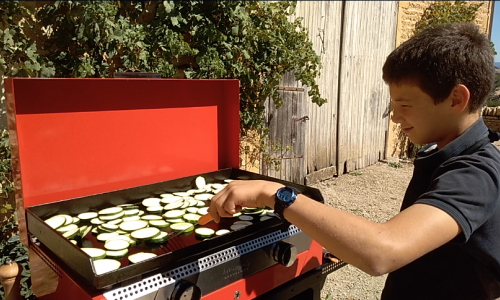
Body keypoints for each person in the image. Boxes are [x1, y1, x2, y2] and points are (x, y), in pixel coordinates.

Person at [208, 22, 500, 300]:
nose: (396, 118)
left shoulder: (476, 172)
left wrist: (273, 194)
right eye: (393, 105)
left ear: (455, 100)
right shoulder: (446, 153)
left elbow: (382, 252)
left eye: (405, 105)